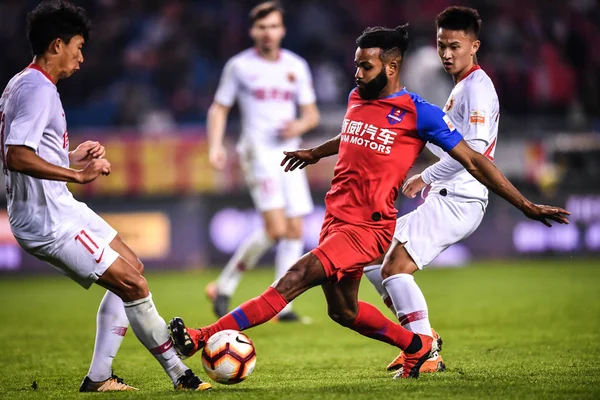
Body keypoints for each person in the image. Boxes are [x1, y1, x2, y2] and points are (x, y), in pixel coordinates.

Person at [169, 24, 569, 379]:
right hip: (336, 219)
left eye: (366, 67)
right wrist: (316, 153)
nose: (357, 74)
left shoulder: (419, 114)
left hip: (368, 228)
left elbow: (476, 159)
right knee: (343, 312)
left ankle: (202, 336)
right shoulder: (357, 97)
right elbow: (351, 133)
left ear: (391, 68)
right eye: (357, 66)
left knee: (292, 279)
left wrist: (525, 205)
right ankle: (416, 347)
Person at [0, 1, 210, 392]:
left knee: (133, 268)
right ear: (57, 45)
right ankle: (180, 376)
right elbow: (16, 156)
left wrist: (69, 155)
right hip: (46, 220)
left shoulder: (22, 82)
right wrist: (77, 174)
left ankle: (99, 377)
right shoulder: (37, 89)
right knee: (134, 286)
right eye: (78, 47)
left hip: (59, 206)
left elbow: (30, 148)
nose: (81, 59)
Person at [364, 6, 497, 375]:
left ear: (475, 46)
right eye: (441, 45)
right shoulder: (461, 86)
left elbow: (474, 151)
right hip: (449, 194)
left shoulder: (478, 89)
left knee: (394, 268)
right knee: (373, 258)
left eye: (455, 45)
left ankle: (423, 354)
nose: (447, 53)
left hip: (462, 198)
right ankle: (422, 336)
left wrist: (428, 176)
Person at [204, 1, 320, 321]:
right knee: (276, 227)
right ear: (253, 31)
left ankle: (282, 304)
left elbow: (311, 114)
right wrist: (215, 145)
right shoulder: (239, 67)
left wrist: (298, 125)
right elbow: (219, 108)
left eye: (273, 26)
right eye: (262, 27)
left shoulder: (296, 66)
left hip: (290, 154)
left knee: (294, 229)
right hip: (257, 153)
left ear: (282, 30)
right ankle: (227, 284)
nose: (268, 33)